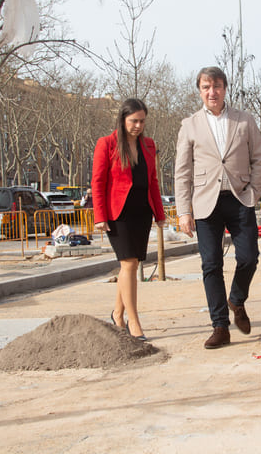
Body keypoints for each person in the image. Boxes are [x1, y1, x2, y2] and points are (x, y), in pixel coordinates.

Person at [175, 67, 261, 349]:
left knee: (249, 256)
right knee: (211, 264)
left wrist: (253, 190)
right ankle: (220, 325)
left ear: (225, 88)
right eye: (206, 87)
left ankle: (236, 299)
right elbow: (182, 171)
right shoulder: (189, 125)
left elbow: (260, 159)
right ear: (199, 91)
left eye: (216, 86)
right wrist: (184, 210)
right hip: (205, 202)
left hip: (240, 198)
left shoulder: (244, 120)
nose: (211, 92)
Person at [92, 98, 167, 341]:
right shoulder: (107, 144)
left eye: (142, 121)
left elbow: (153, 180)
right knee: (128, 264)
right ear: (123, 120)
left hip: (142, 211)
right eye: (133, 121)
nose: (138, 126)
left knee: (131, 264)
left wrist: (159, 214)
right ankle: (134, 321)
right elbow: (98, 182)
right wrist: (99, 216)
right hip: (118, 213)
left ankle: (117, 314)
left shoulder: (149, 145)